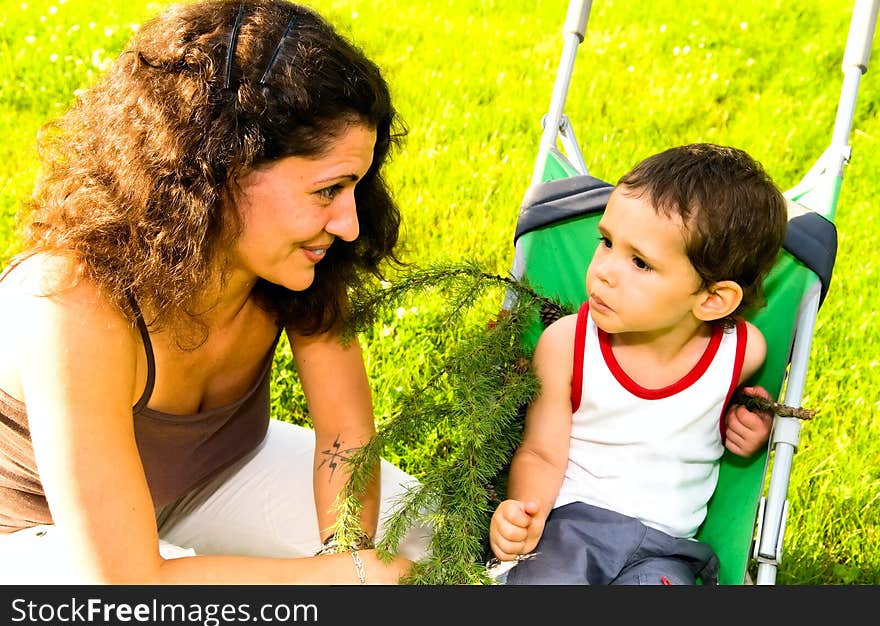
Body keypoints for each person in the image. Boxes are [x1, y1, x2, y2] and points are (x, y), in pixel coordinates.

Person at [0, 0, 431, 584]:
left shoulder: (293, 263)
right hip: (39, 543)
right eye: (328, 189)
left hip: (202, 485)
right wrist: (341, 583)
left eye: (355, 184)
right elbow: (127, 583)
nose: (350, 223)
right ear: (222, 167)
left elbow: (345, 432)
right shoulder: (72, 299)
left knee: (428, 533)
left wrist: (347, 552)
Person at [488, 143, 787, 585]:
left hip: (667, 554)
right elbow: (541, 451)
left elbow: (708, 407)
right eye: (606, 242)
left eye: (640, 263)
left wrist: (751, 424)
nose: (605, 270)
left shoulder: (741, 352)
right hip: (570, 531)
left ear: (711, 300)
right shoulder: (568, 344)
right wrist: (523, 514)